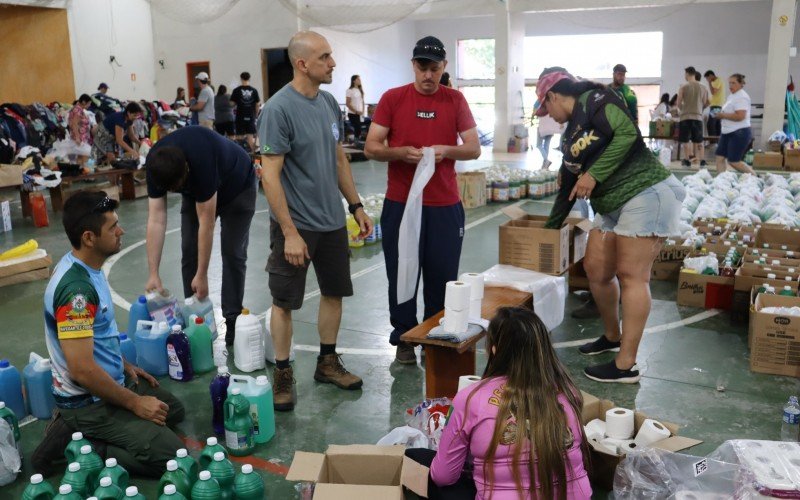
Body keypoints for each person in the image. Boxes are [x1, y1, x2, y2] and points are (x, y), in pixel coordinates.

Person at [537, 67, 685, 383]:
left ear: (553, 96)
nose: (548, 115)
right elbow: (567, 190)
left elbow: (628, 134)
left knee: (632, 275)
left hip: (646, 193)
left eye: (546, 107)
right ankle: (612, 336)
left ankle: (626, 365)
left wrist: (593, 174)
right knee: (596, 269)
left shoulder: (596, 99)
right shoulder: (569, 138)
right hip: (612, 205)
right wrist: (547, 233)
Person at [31, 190, 185, 478]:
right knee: (173, 458)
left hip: (106, 384)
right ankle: (89, 444)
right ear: (89, 238)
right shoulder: (76, 292)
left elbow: (97, 337)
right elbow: (81, 370)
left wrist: (124, 366)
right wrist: (135, 403)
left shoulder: (89, 265)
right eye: (112, 227)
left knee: (171, 410)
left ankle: (82, 428)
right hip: (87, 401)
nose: (121, 230)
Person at [258, 31, 373, 411]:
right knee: (284, 301)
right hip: (297, 224)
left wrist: (355, 205)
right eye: (325, 57)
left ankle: (327, 361)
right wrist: (289, 232)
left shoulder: (327, 104)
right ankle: (283, 371)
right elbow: (270, 176)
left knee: (334, 292)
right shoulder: (278, 110)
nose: (333, 63)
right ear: (302, 63)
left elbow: (338, 158)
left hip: (332, 222)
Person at [364, 36, 480, 364]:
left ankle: (433, 337)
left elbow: (473, 147)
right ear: (413, 65)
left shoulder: (455, 100)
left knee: (441, 276)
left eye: (435, 68)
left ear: (444, 67)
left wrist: (447, 151)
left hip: (444, 206)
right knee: (401, 272)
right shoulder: (393, 99)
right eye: (422, 68)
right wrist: (398, 153)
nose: (428, 75)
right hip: (402, 205)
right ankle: (403, 337)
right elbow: (372, 146)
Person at [405, 307, 592, 499]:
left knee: (416, 457)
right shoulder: (568, 390)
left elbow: (443, 477)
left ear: (494, 349)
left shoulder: (472, 398)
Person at [145, 126, 257, 346]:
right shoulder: (155, 165)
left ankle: (232, 318)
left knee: (233, 253)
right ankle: (194, 317)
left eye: (180, 186)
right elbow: (156, 219)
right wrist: (153, 273)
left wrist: (203, 274)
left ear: (186, 168)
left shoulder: (201, 159)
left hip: (238, 186)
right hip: (199, 190)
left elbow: (206, 225)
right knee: (189, 250)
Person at [714, 73, 754, 175]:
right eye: (729, 83)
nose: (731, 85)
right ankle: (721, 182)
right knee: (719, 157)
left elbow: (740, 116)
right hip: (727, 132)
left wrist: (722, 116)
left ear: (741, 84)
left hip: (739, 132)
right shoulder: (732, 96)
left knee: (733, 161)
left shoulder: (741, 97)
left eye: (734, 83)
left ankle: (755, 177)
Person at [676, 66, 709, 167]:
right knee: (699, 140)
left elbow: (678, 103)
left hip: (685, 117)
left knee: (686, 140)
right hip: (697, 117)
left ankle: (686, 160)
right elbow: (706, 102)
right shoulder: (703, 87)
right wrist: (700, 109)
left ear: (687, 74)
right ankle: (702, 160)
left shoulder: (683, 86)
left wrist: (683, 109)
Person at [230, 72, 261, 152]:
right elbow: (258, 104)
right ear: (249, 79)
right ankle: (255, 158)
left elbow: (231, 104)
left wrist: (233, 99)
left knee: (239, 138)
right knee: (250, 137)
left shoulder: (236, 90)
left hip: (240, 116)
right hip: (251, 116)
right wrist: (256, 114)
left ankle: (240, 155)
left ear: (241, 79)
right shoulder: (254, 91)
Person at [534, 103, 564, 170]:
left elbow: (535, 112)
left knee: (538, 145)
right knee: (546, 145)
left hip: (542, 127)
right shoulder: (552, 103)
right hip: (551, 128)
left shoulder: (539, 102)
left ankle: (546, 160)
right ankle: (545, 164)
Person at [68, 94, 93, 163]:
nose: (89, 105)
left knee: (80, 157)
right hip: (79, 138)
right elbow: (74, 124)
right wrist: (77, 137)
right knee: (85, 156)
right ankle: (84, 171)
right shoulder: (78, 110)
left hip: (80, 137)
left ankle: (81, 170)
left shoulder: (78, 109)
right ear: (84, 102)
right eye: (89, 103)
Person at [704, 70, 725, 137]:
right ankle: (718, 142)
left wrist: (709, 82)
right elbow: (713, 97)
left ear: (710, 76)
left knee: (711, 124)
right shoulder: (716, 82)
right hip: (717, 105)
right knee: (717, 124)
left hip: (716, 106)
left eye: (707, 78)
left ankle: (713, 142)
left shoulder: (718, 80)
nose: (707, 80)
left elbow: (713, 92)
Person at [345, 74, 366, 144]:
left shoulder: (360, 90)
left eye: (360, 79)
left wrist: (362, 111)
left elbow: (362, 101)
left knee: (359, 128)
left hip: (360, 113)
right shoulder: (349, 90)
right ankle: (356, 141)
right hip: (353, 113)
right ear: (354, 81)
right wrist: (356, 111)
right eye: (358, 79)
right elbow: (348, 103)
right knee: (357, 128)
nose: (360, 81)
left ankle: (356, 141)